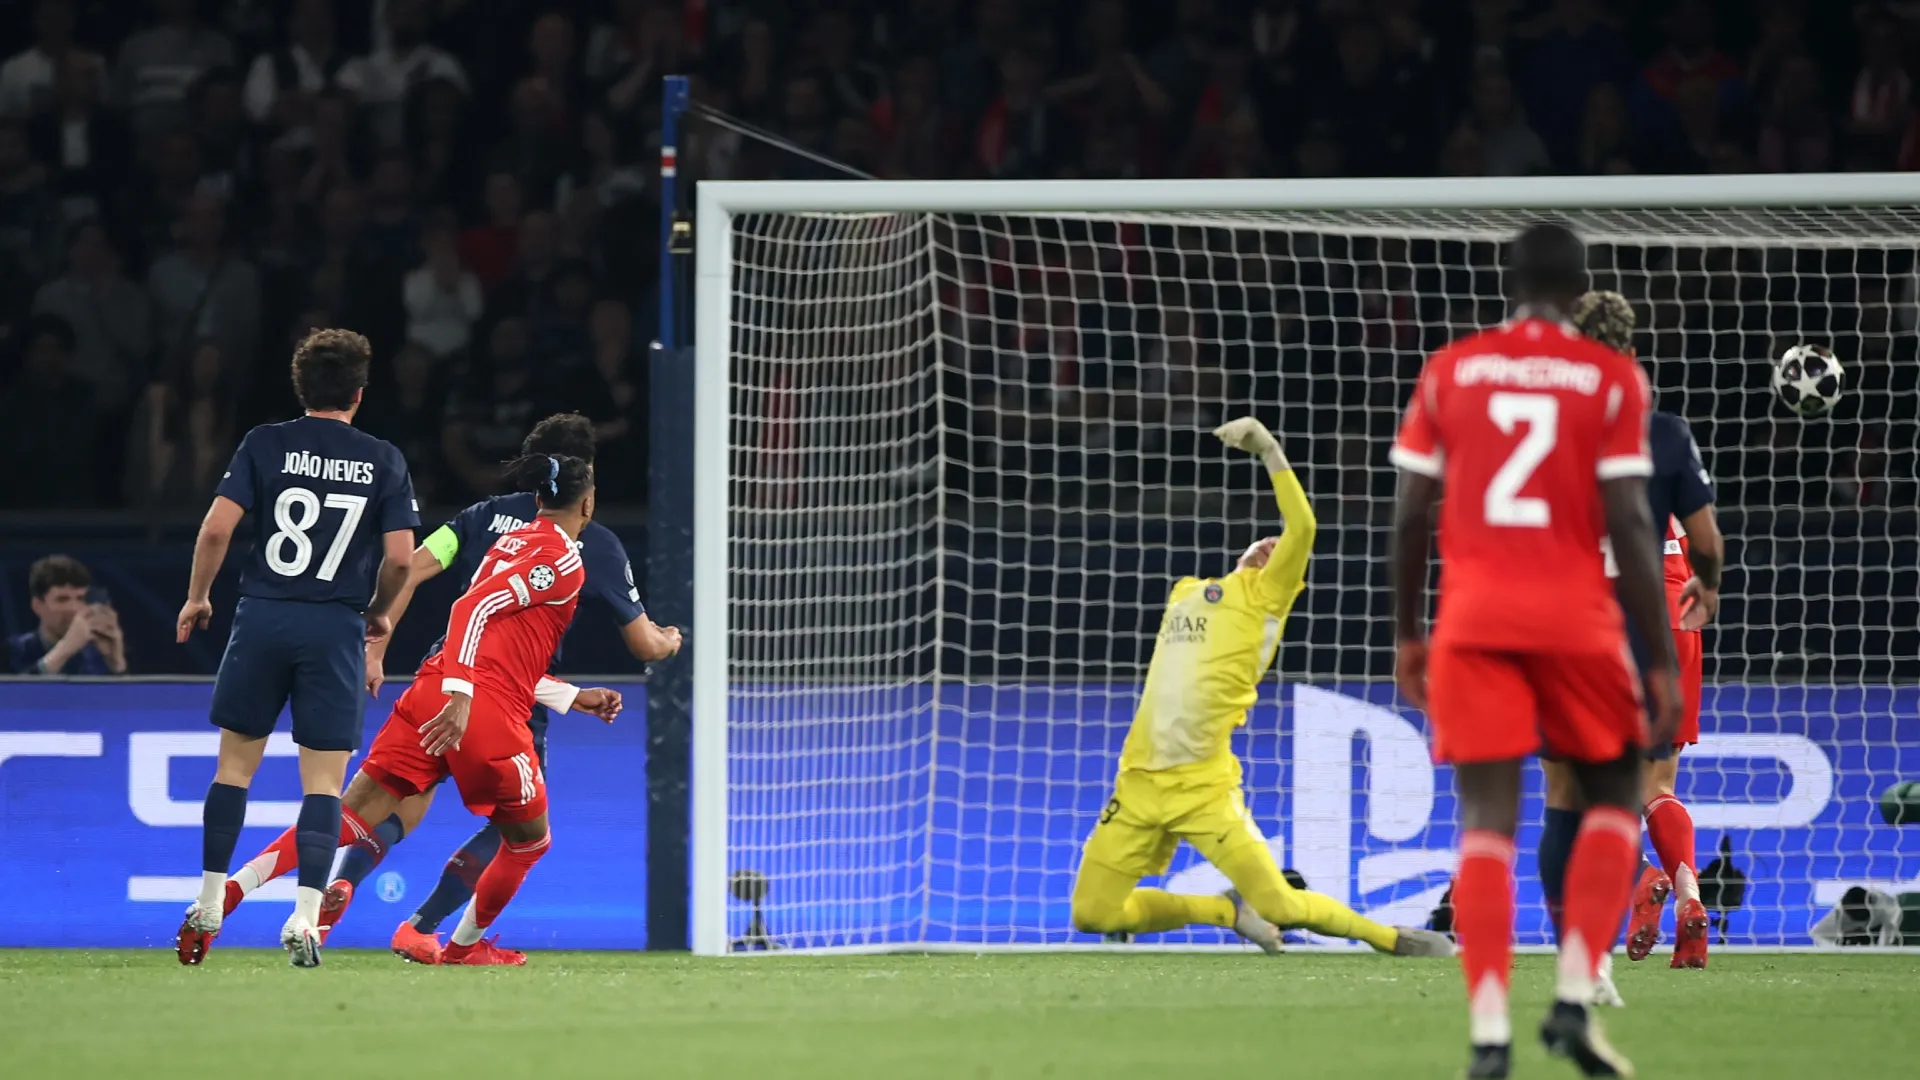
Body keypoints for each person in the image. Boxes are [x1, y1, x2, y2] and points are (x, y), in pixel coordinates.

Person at [1390, 223, 1679, 1079]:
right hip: (1574, 621)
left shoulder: (1451, 369)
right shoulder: (1612, 378)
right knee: (1616, 792)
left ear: (1507, 282)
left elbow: (1410, 515)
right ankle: (1572, 997)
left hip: (1473, 621)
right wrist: (1657, 658)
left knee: (1486, 823)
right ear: (1581, 285)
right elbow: (1630, 522)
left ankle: (1487, 1036)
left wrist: (1409, 633)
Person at [1069, 415, 1453, 960]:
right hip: (1136, 783)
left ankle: (1390, 937)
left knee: (1282, 906)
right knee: (1092, 913)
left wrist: (1269, 449)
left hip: (1203, 787)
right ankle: (1225, 910)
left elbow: (1302, 527)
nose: (1271, 549)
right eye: (1263, 546)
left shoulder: (1265, 602)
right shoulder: (1187, 592)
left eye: (1281, 557)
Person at [217, 455, 621, 966]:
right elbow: (468, 611)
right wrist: (461, 695)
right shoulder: (566, 561)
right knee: (527, 841)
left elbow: (496, 643)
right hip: (478, 707)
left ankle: (232, 889)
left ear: (538, 498)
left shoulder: (501, 538)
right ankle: (460, 947)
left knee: (349, 815)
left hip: (432, 686)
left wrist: (566, 695)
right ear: (587, 503)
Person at [338, 412, 681, 962]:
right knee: (516, 828)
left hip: (444, 678)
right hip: (515, 698)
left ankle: (343, 884)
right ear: (584, 476)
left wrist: (377, 642)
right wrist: (670, 640)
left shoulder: (480, 517)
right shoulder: (592, 541)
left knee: (398, 800)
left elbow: (412, 568)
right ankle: (427, 926)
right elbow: (642, 644)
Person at [172, 328, 417, 969]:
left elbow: (218, 527)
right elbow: (399, 558)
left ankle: (205, 903)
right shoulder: (383, 458)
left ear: (300, 387)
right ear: (359, 394)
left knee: (233, 770)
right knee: (324, 787)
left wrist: (199, 597)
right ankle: (305, 920)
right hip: (334, 627)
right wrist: (380, 615)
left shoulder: (265, 443)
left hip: (262, 617)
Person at [1536, 290, 1723, 981]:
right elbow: (1706, 541)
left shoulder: (1549, 433)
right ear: (1634, 356)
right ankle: (1687, 894)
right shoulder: (1663, 432)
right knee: (1658, 781)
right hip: (1670, 607)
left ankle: (1633, 883)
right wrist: (1707, 587)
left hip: (1585, 617)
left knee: (1568, 787)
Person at [7, 554, 126, 675]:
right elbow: (13, 693)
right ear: (37, 606)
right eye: (62, 599)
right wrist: (65, 649)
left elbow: (124, 694)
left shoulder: (97, 658)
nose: (74, 609)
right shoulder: (11, 652)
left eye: (80, 598)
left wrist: (117, 664)